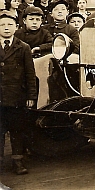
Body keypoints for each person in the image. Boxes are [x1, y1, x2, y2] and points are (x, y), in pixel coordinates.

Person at [0, 11, 36, 175]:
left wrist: (31, 96)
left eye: (9, 25)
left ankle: (18, 161)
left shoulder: (23, 47)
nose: (6, 28)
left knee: (17, 130)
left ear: (16, 27)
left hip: (16, 97)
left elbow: (30, 74)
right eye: (2, 25)